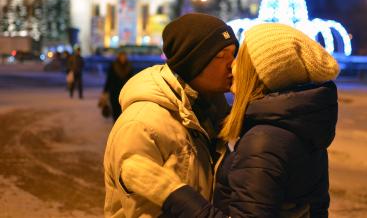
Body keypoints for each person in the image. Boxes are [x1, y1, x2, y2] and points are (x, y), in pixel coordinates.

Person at [159, 23, 340, 218]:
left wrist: (174, 194)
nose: (232, 65)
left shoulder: (264, 141)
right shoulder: (297, 126)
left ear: (259, 73)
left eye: (240, 59)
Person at [103, 13, 239, 217]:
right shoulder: (142, 124)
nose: (232, 65)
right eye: (221, 56)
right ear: (193, 62)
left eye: (233, 55)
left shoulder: (213, 113)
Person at [102, 51, 134, 121]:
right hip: (114, 92)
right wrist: (105, 91)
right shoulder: (113, 66)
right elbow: (109, 79)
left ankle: (121, 124)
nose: (123, 58)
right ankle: (115, 124)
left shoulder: (129, 66)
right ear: (119, 57)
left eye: (124, 56)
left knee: (123, 110)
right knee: (115, 110)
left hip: (125, 92)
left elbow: (132, 79)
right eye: (121, 56)